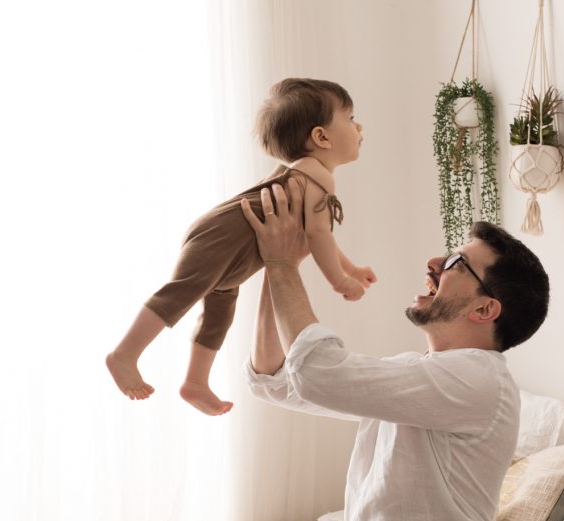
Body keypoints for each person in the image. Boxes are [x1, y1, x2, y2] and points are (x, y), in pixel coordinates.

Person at [158, 180, 551, 521]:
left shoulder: (480, 380)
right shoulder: (417, 376)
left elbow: (321, 372)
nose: (434, 263)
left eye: (455, 262)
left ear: (484, 309)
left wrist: (281, 264)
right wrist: (279, 266)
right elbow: (277, 380)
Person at [105, 78, 376, 416]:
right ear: (321, 137)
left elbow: (318, 235)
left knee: (219, 313)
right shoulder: (317, 176)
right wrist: (339, 280)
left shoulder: (306, 174)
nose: (359, 125)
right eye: (350, 118)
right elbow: (320, 236)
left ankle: (196, 383)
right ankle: (125, 354)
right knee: (180, 294)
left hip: (234, 252)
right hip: (221, 238)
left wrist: (351, 269)